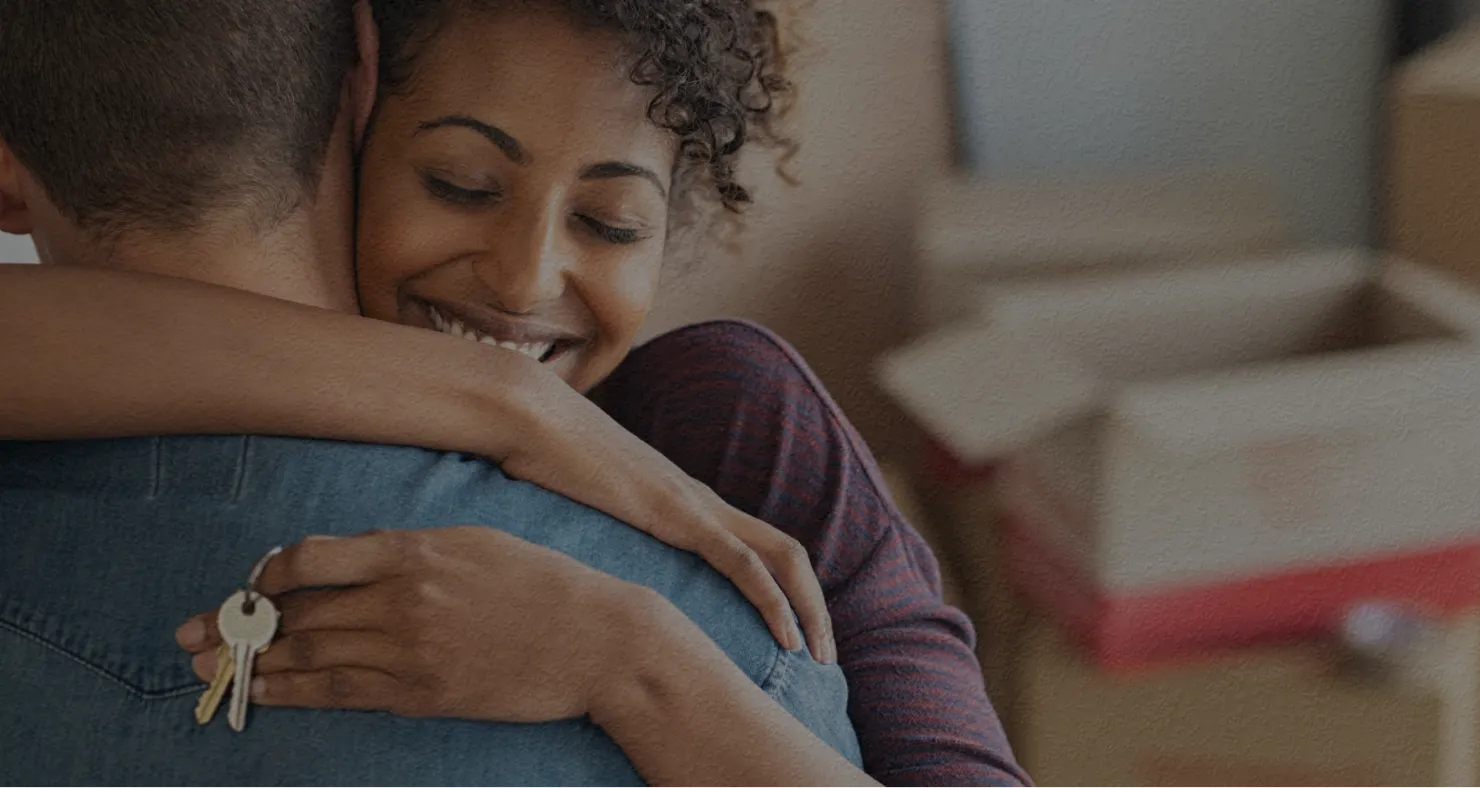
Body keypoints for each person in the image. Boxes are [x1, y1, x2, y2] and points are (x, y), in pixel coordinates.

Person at [0, 0, 1030, 784]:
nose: (522, 281)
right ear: (356, 107)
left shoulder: (730, 426)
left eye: (611, 224)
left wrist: (631, 663)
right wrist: (500, 396)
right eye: (459, 184)